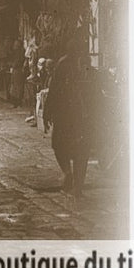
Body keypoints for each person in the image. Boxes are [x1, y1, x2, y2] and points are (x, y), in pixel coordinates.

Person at [44, 34, 96, 195]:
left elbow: (53, 90)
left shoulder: (64, 64)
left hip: (66, 114)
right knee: (81, 150)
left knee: (60, 146)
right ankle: (77, 185)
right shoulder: (87, 66)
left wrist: (47, 112)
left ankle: (68, 173)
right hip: (83, 115)